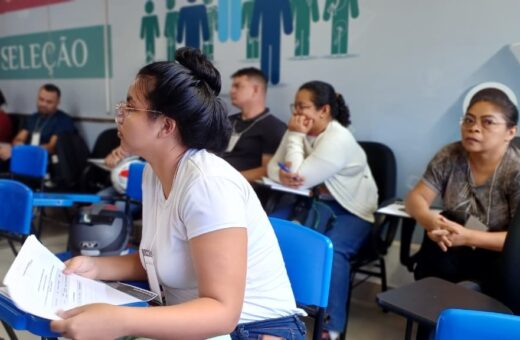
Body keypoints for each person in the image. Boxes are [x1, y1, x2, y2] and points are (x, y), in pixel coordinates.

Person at [51, 47, 305, 340]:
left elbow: (222, 313)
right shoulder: (152, 173)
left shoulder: (208, 184)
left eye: (131, 108)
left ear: (166, 126)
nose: (119, 115)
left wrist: (122, 320)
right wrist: (94, 267)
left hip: (251, 329)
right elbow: (159, 260)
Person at [267, 80, 378, 340]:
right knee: (270, 232)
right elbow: (274, 168)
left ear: (324, 110)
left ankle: (332, 327)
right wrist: (285, 175)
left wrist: (294, 141)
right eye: (295, 106)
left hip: (350, 210)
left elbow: (298, 175)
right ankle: (275, 308)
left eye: (303, 107)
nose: (297, 113)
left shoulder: (338, 138)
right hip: (313, 203)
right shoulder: (297, 126)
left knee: (333, 251)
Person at [405, 86, 520, 298]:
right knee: (435, 266)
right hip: (451, 243)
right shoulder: (450, 155)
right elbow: (416, 198)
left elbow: (516, 243)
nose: (474, 128)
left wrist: (468, 237)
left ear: (510, 132)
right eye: (469, 120)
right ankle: (431, 320)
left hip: (498, 256)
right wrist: (431, 220)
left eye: (487, 122)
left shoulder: (516, 169)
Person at [223, 67, 286, 182]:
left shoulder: (274, 128)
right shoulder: (226, 121)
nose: (231, 91)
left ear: (255, 90)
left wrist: (228, 179)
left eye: (237, 86)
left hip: (242, 189)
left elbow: (268, 170)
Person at [0, 83, 75, 163]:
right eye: (41, 99)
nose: (43, 104)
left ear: (58, 102)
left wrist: (27, 150)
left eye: (49, 102)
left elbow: (51, 147)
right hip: (25, 155)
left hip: (45, 160)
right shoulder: (33, 118)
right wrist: (20, 146)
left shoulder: (63, 120)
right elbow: (18, 139)